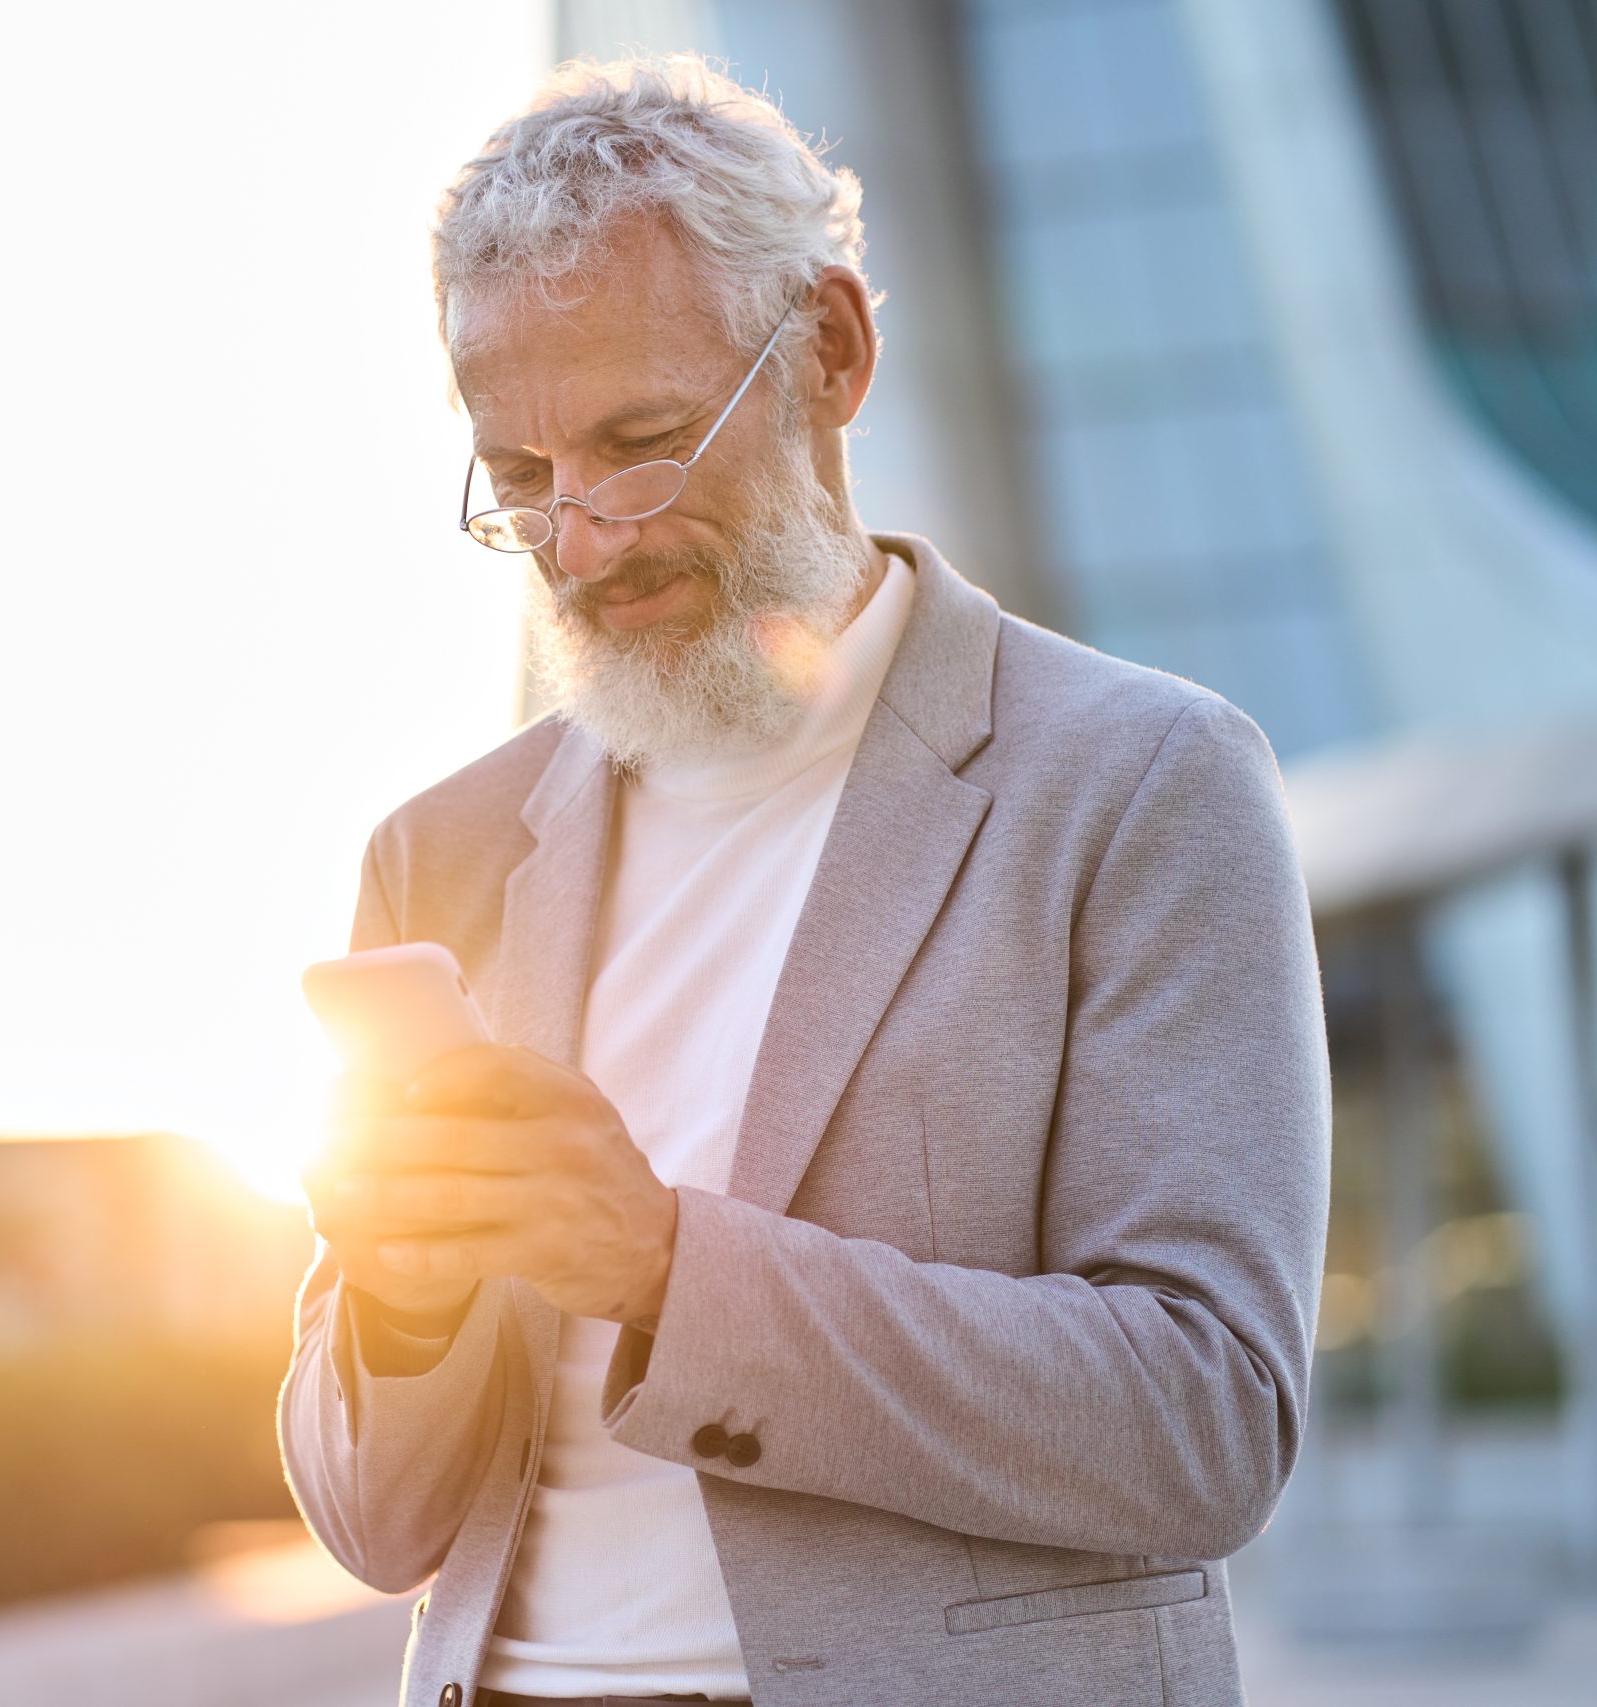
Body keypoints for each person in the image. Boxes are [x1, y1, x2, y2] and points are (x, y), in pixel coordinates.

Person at [278, 54, 1330, 1707]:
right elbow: (374, 1520)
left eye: (640, 441)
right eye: (528, 479)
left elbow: (1208, 1419)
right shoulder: (442, 855)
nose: (590, 537)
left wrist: (662, 1271)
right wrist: (402, 1312)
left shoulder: (1138, 781)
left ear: (829, 353)